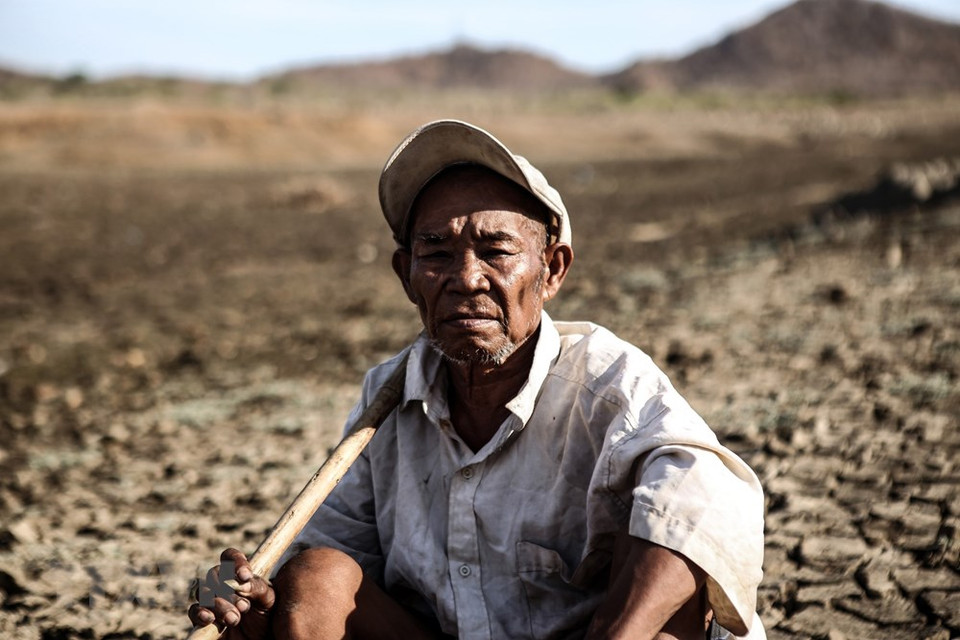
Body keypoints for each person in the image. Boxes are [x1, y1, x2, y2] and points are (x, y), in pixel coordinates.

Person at [189, 120, 766, 639]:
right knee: (315, 577)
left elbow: (703, 501)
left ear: (552, 269)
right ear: (406, 275)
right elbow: (330, 562)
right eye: (435, 252)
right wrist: (261, 599)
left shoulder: (607, 385)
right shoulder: (386, 402)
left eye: (495, 251)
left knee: (672, 592)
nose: (466, 279)